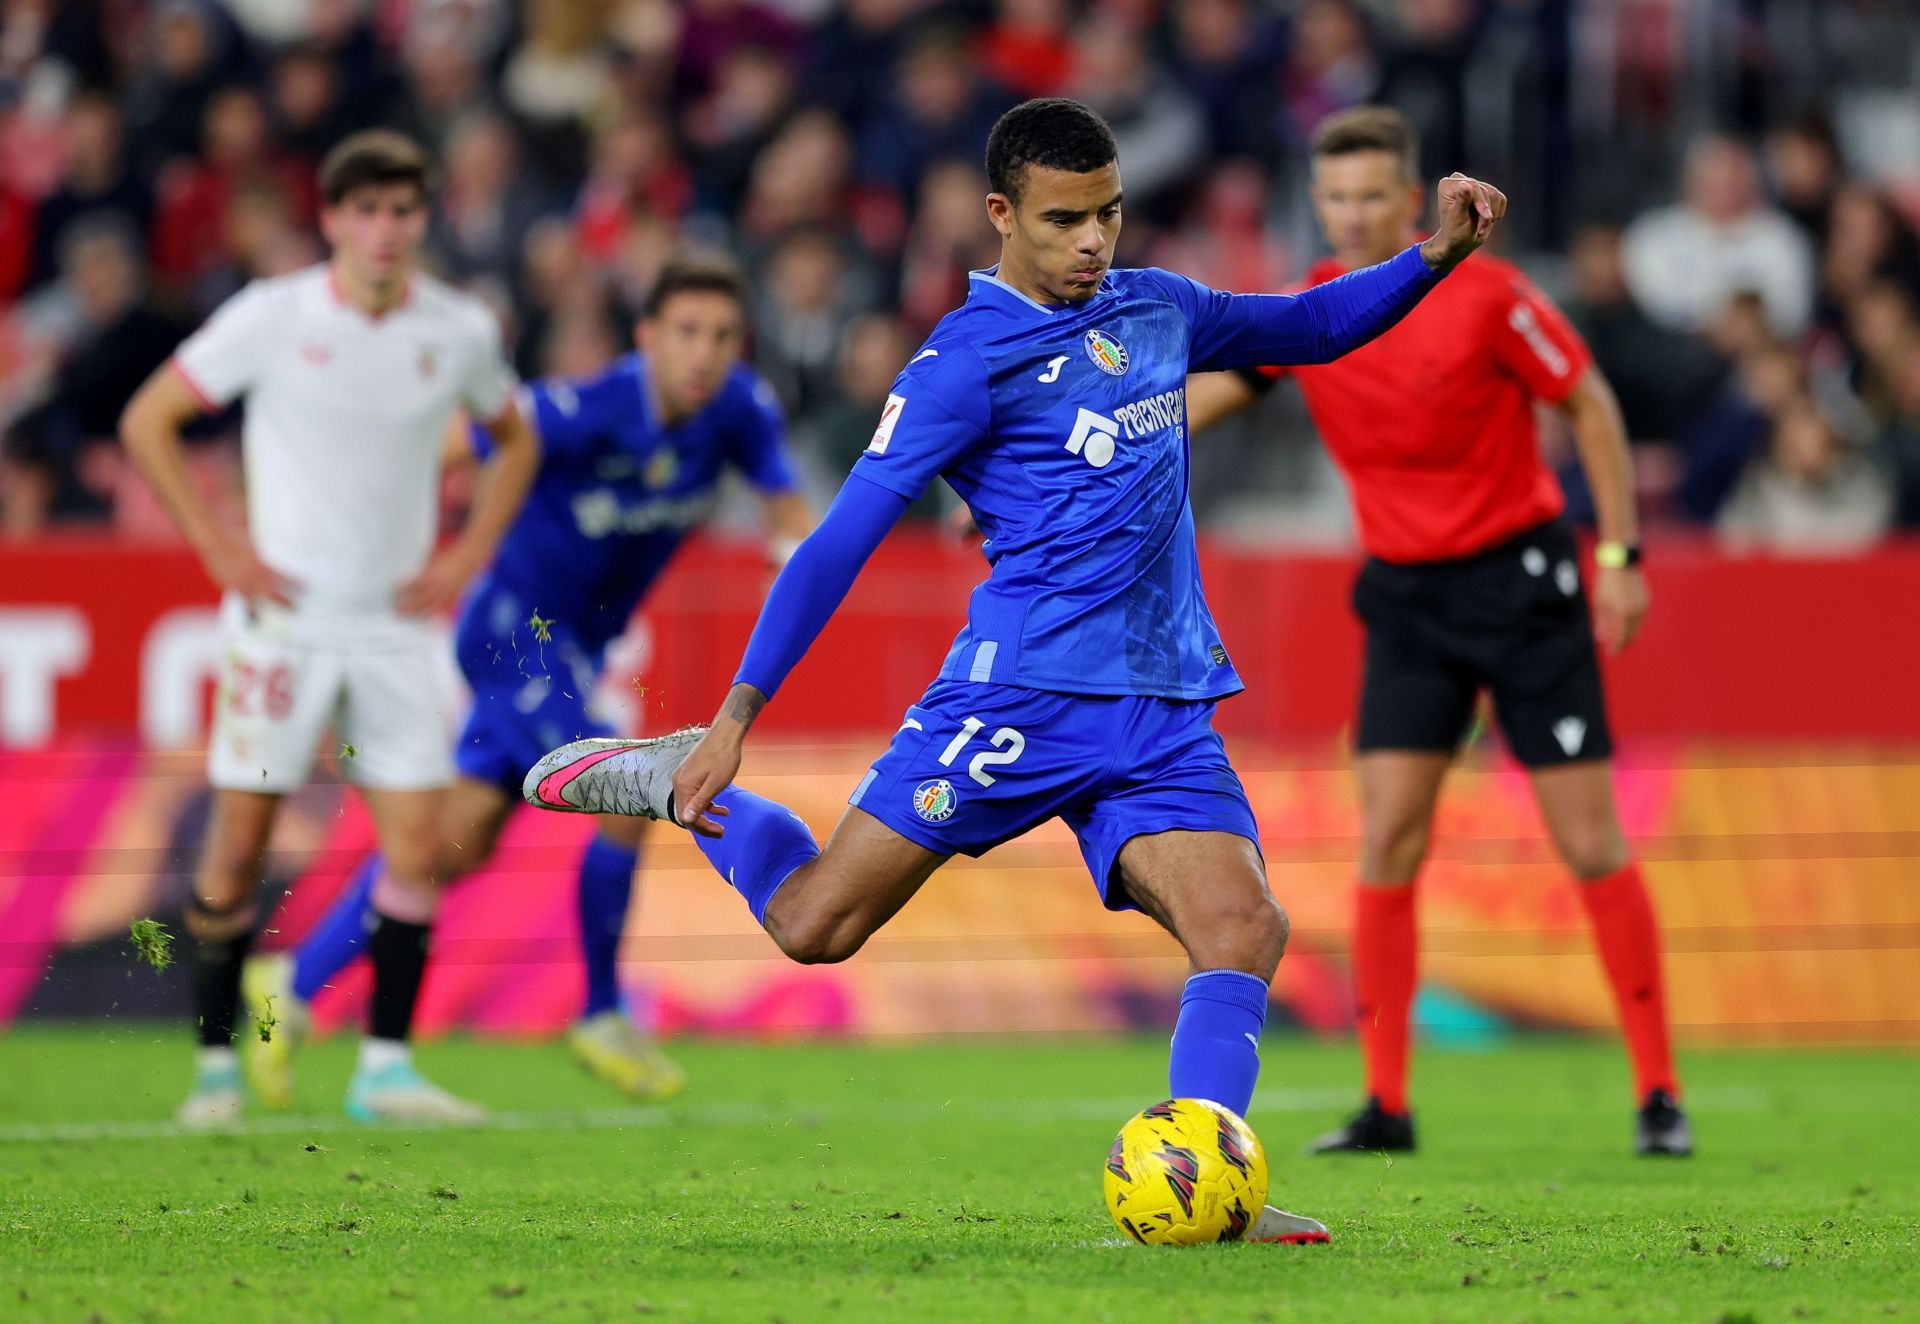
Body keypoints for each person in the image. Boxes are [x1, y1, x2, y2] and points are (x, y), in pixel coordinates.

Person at [523, 97, 1505, 1242]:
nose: (1096, 241)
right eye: (1065, 219)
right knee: (815, 926)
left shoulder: (1160, 307)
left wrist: (1431, 258)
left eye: (1110, 213)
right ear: (1001, 215)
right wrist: (741, 709)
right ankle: (686, 779)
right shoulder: (961, 363)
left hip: (1161, 705)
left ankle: (1206, 1185)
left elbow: (1313, 324)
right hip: (1018, 697)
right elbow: (839, 541)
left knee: (1242, 927)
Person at [1184, 106, 1689, 1157]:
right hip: (1408, 600)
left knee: (1589, 840)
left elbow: (1589, 403)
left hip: (1523, 588)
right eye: (1338, 197)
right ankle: (1387, 1103)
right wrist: (1083, 444)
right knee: (1390, 841)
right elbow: (1220, 390)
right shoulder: (1316, 306)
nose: (1357, 213)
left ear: (1409, 199)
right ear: (1316, 206)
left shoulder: (1489, 295)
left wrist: (1621, 559)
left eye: (1375, 194)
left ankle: (1657, 1093)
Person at [246, 254, 813, 1104]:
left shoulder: (737, 411)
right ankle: (600, 1012)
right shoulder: (584, 410)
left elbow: (791, 517)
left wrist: (804, 561)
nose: (705, 353)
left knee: (449, 847)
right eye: (687, 333)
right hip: (516, 633)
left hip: (577, 649)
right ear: (646, 338)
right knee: (638, 784)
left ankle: (285, 989)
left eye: (724, 337)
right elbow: (456, 445)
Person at [119, 130, 539, 1126]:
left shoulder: (457, 327)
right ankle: (216, 1070)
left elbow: (516, 437)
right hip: (283, 625)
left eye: (403, 210)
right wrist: (220, 550)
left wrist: (467, 553)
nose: (386, 229)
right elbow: (148, 420)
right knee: (235, 852)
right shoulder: (274, 316)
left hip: (393, 627)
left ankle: (383, 1068)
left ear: (422, 218)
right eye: (367, 211)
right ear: (332, 220)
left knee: (422, 846)